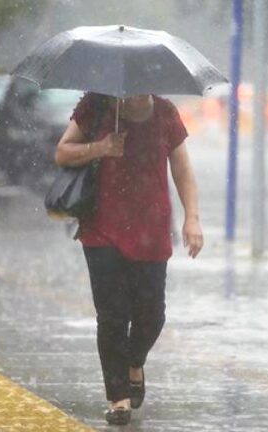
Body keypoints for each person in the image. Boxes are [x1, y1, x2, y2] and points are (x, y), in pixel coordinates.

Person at [55, 92, 203, 425]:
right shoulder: (97, 105)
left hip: (151, 229)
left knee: (152, 315)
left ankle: (135, 362)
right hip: (102, 228)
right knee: (112, 316)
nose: (137, 92)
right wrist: (101, 147)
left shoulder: (165, 113)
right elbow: (63, 152)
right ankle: (117, 397)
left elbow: (181, 168)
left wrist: (192, 216)